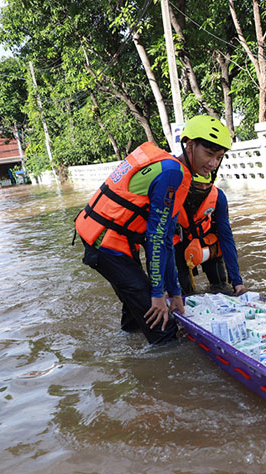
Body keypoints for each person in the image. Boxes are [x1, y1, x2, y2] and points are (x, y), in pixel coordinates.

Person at [74, 115, 228, 344]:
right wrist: (158, 294)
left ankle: (128, 344)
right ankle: (163, 364)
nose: (213, 163)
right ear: (190, 145)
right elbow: (156, 239)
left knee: (137, 312)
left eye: (218, 157)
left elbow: (165, 239)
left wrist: (174, 292)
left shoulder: (170, 169)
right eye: (209, 154)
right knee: (162, 325)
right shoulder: (171, 173)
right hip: (108, 247)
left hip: (110, 242)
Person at [173, 119, 245, 296]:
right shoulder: (172, 189)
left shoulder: (217, 196)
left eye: (218, 158)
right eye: (198, 189)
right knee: (183, 294)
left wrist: (237, 281)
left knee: (221, 287)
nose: (212, 163)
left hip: (207, 244)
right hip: (179, 246)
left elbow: (226, 237)